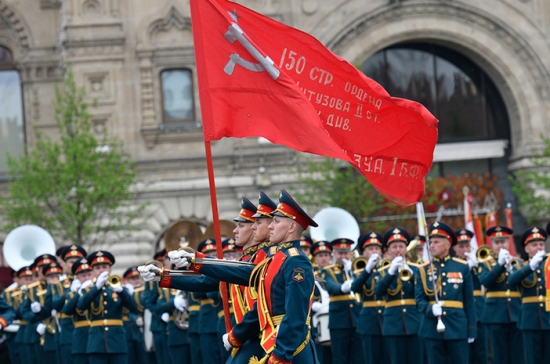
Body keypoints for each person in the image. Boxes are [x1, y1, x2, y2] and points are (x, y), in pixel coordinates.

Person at [223, 189, 319, 364]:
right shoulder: (277, 259)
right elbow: (261, 305)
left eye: (276, 221)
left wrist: (282, 354)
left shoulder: (297, 262)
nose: (270, 226)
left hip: (291, 349)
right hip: (273, 341)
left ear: (291, 227)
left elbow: (295, 314)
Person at [415, 222, 477, 364]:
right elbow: (419, 300)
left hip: (457, 326)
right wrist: (430, 309)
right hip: (432, 328)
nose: (431, 245)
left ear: (448, 245)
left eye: (436, 242)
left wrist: (472, 329)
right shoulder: (423, 269)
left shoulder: (462, 267)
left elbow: (469, 301)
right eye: (431, 242)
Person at [77, 251, 137, 364]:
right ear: (93, 271)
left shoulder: (119, 289)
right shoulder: (88, 289)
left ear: (110, 270)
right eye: (97, 268)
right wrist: (96, 288)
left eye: (104, 267)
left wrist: (121, 291)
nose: (101, 270)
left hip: (117, 342)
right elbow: (80, 306)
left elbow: (134, 307)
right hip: (96, 344)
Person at [477, 225, 524, 364]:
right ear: (492, 244)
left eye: (503, 241)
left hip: (516, 313)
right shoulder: (485, 264)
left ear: (508, 243)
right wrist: (499, 265)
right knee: (500, 356)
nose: (500, 245)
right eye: (497, 242)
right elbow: (486, 282)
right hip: (495, 315)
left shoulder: (518, 262)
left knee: (518, 356)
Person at [374, 228, 421, 364]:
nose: (398, 250)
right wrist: (391, 272)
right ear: (388, 250)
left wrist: (412, 275)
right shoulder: (383, 271)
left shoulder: (417, 269)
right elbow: (378, 292)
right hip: (393, 324)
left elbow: (422, 291)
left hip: (414, 322)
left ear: (406, 249)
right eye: (394, 247)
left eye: (401, 246)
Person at [508, 227, 550, 364]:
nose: (539, 248)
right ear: (526, 249)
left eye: (541, 244)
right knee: (532, 359)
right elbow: (512, 280)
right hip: (530, 320)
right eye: (534, 245)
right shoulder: (521, 266)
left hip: (548, 318)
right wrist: (530, 266)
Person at [321, 238, 364, 364]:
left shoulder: (357, 268)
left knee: (359, 358)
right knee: (340, 358)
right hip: (339, 322)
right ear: (334, 254)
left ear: (350, 253)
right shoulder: (327, 270)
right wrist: (341, 288)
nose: (343, 256)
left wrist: (352, 271)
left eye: (346, 253)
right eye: (340, 253)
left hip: (357, 320)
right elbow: (329, 286)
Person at [351, 232, 390, 364]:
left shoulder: (389, 269)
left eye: (377, 249)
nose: (374, 252)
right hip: (369, 322)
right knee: (371, 359)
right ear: (364, 253)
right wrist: (367, 269)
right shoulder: (359, 272)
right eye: (370, 249)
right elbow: (354, 288)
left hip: (388, 319)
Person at [453, 229, 488, 364]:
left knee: (480, 352)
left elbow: (487, 281)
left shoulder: (478, 263)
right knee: (463, 354)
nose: (465, 249)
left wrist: (479, 266)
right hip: (461, 313)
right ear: (454, 247)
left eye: (467, 245)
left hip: (479, 311)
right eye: (461, 246)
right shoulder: (452, 265)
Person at [63, 257, 94, 364]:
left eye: (89, 275)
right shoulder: (72, 293)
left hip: (99, 338)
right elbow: (67, 310)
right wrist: (79, 292)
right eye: (83, 275)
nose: (86, 278)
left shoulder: (102, 290)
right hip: (81, 339)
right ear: (77, 277)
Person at [309, 240, 333, 364]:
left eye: (326, 255)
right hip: (317, 324)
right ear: (315, 258)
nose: (324, 259)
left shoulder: (337, 273)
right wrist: (312, 304)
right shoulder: (310, 275)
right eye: (320, 255)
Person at [122, 267, 148, 364]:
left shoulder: (143, 291)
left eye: (137, 278)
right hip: (128, 330)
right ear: (125, 280)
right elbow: (124, 310)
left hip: (143, 331)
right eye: (132, 279)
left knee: (145, 358)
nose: (136, 281)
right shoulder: (123, 291)